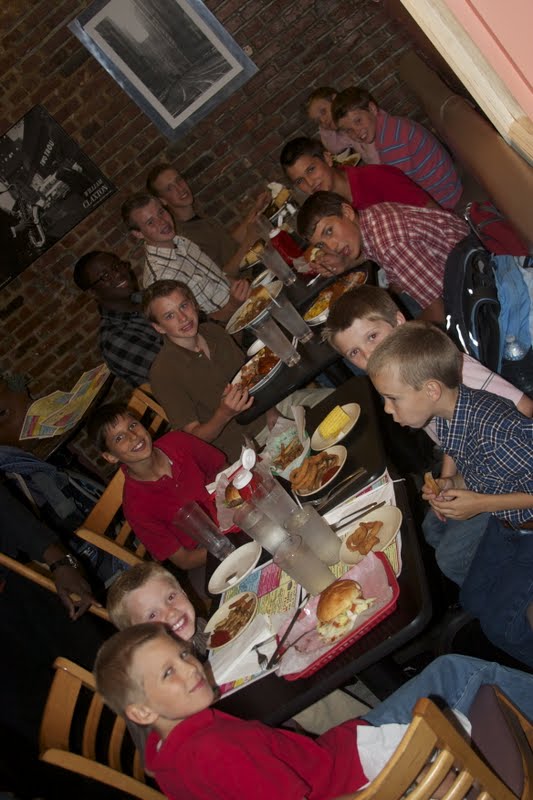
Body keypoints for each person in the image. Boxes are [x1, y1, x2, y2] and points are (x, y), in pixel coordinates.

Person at [94, 623, 533, 800]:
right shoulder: (216, 750)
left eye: (183, 655)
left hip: (331, 758)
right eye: (168, 673)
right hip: (360, 774)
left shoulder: (165, 758)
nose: (191, 669)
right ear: (142, 711)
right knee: (457, 670)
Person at [324, 285, 533, 585]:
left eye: (372, 336)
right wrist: (447, 479)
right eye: (354, 352)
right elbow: (453, 434)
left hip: (505, 473)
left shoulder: (453, 373)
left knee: (450, 557)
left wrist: (481, 500)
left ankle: (506, 586)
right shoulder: (396, 378)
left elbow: (524, 409)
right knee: (430, 529)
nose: (369, 354)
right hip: (472, 461)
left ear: (398, 322)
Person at [366, 321, 533, 667]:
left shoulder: (496, 431)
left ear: (430, 390)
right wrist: (451, 484)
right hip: (507, 525)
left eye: (392, 398)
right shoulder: (448, 417)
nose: (386, 409)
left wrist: (482, 504)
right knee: (472, 598)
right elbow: (480, 472)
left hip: (526, 529)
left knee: (502, 626)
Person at [143, 279, 331, 463]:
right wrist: (224, 413)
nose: (183, 318)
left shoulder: (212, 331)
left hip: (274, 408)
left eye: (184, 306)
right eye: (169, 316)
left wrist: (270, 411)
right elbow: (195, 438)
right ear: (158, 327)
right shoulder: (163, 374)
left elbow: (254, 379)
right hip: (246, 448)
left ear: (193, 304)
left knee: (336, 403)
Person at [87, 402, 225, 572]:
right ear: (110, 456)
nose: (133, 436)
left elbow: (222, 468)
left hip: (231, 512)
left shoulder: (178, 441)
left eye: (133, 425)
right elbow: (185, 560)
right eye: (119, 438)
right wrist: (225, 546)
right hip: (205, 556)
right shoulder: (136, 507)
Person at [297, 191, 468, 322]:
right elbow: (391, 268)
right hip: (453, 271)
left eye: (329, 231)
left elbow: (440, 313)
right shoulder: (371, 220)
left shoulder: (390, 244)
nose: (332, 247)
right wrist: (345, 264)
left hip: (468, 288)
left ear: (347, 212)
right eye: (322, 245)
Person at [121, 194, 251, 322]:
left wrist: (242, 287)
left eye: (161, 212)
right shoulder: (160, 278)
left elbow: (217, 278)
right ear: (138, 233)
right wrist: (233, 305)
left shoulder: (181, 241)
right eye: (150, 222)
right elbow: (199, 324)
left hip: (245, 307)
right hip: (231, 326)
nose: (162, 222)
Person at [331, 87, 462, 210]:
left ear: (372, 109)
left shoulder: (392, 139)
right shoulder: (389, 126)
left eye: (358, 121)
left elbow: (401, 190)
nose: (356, 132)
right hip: (444, 190)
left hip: (445, 200)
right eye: (349, 130)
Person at [146, 163, 269, 277]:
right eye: (169, 188)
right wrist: (248, 242)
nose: (180, 188)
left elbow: (228, 243)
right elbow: (222, 277)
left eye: (179, 180)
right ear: (162, 200)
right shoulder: (184, 239)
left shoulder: (196, 217)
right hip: (252, 282)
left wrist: (257, 210)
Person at [73, 251, 162, 387]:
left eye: (116, 266)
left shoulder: (149, 297)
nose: (118, 274)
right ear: (93, 292)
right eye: (105, 276)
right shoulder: (115, 338)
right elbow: (177, 368)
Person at [280, 137, 434, 209]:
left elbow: (434, 213)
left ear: (327, 159)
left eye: (311, 169)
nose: (309, 183)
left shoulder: (376, 177)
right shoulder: (328, 209)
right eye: (299, 181)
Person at [305, 86, 378, 161]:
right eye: (318, 121)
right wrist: (324, 128)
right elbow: (334, 148)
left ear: (335, 99)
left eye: (323, 111)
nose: (323, 120)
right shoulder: (345, 131)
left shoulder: (363, 117)